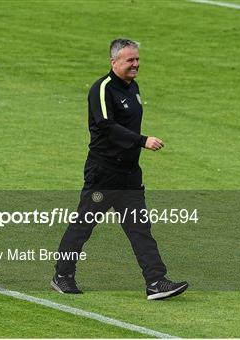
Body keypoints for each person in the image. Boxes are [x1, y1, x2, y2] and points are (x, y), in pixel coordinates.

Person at [51, 38, 188, 300]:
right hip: (103, 174)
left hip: (129, 174)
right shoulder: (102, 89)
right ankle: (62, 275)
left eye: (137, 59)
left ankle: (156, 281)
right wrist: (142, 141)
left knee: (140, 228)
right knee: (84, 225)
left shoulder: (133, 87)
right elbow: (105, 126)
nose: (136, 64)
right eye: (130, 60)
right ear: (114, 62)